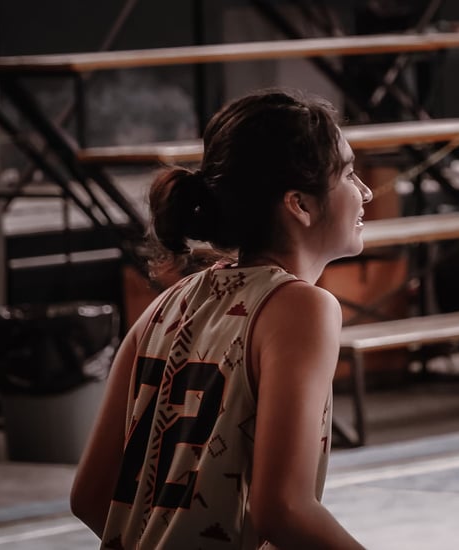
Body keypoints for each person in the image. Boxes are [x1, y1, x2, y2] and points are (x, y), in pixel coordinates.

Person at [71, 88, 372, 549]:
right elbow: (284, 509)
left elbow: (90, 496)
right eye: (349, 174)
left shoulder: (166, 306)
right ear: (300, 204)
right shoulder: (302, 308)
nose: (366, 191)